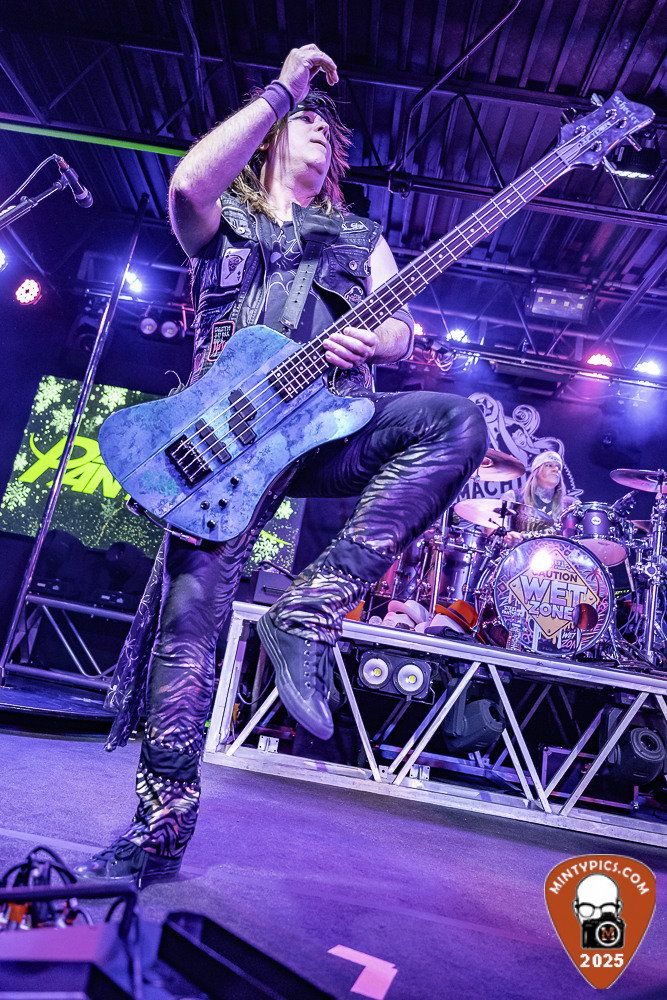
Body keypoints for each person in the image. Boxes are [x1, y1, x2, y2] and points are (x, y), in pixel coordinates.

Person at [74, 44, 488, 887]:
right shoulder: (227, 215)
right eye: (303, 123)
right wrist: (282, 89)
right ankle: (158, 830)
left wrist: (381, 340)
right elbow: (185, 187)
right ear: (269, 138)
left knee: (456, 422)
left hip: (326, 431)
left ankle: (311, 605)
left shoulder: (359, 236)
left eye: (328, 130)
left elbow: (401, 327)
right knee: (188, 636)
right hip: (224, 448)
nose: (318, 129)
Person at [500, 450, 571, 546]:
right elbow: (491, 529)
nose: (555, 469)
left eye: (558, 467)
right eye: (549, 465)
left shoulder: (568, 507)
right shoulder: (513, 497)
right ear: (536, 472)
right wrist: (507, 537)